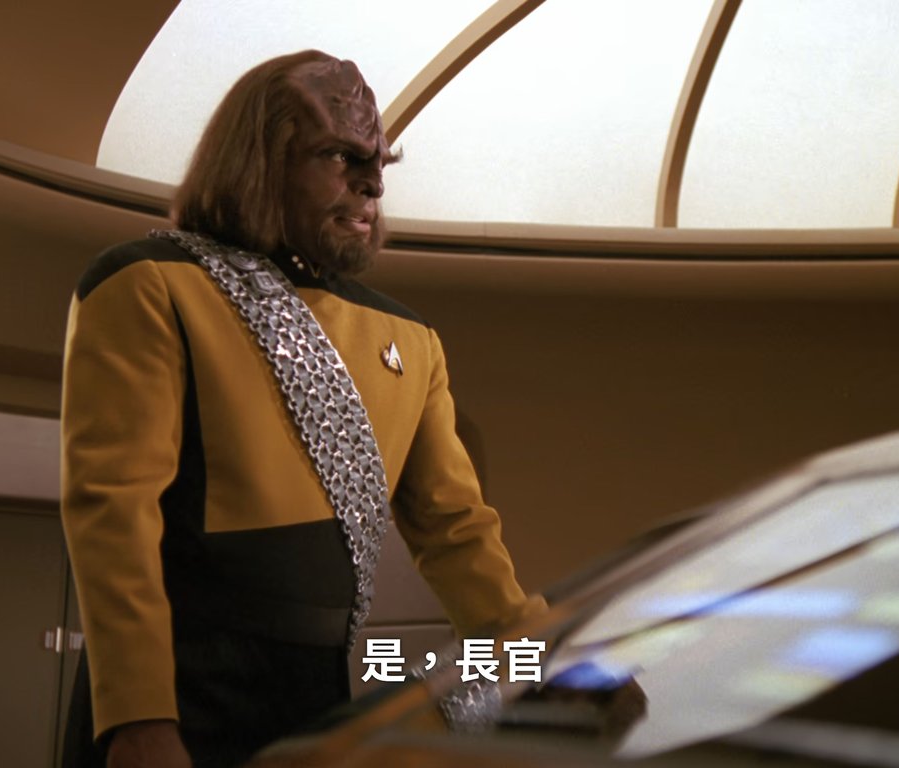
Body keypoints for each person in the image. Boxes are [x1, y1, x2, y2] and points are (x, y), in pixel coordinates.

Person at [60, 50, 547, 768]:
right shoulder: (149, 284)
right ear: (258, 159)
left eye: (380, 163)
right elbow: (115, 513)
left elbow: (456, 529)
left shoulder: (410, 337)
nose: (372, 182)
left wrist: (548, 665)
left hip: (318, 692)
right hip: (176, 689)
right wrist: (137, 715)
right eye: (341, 156)